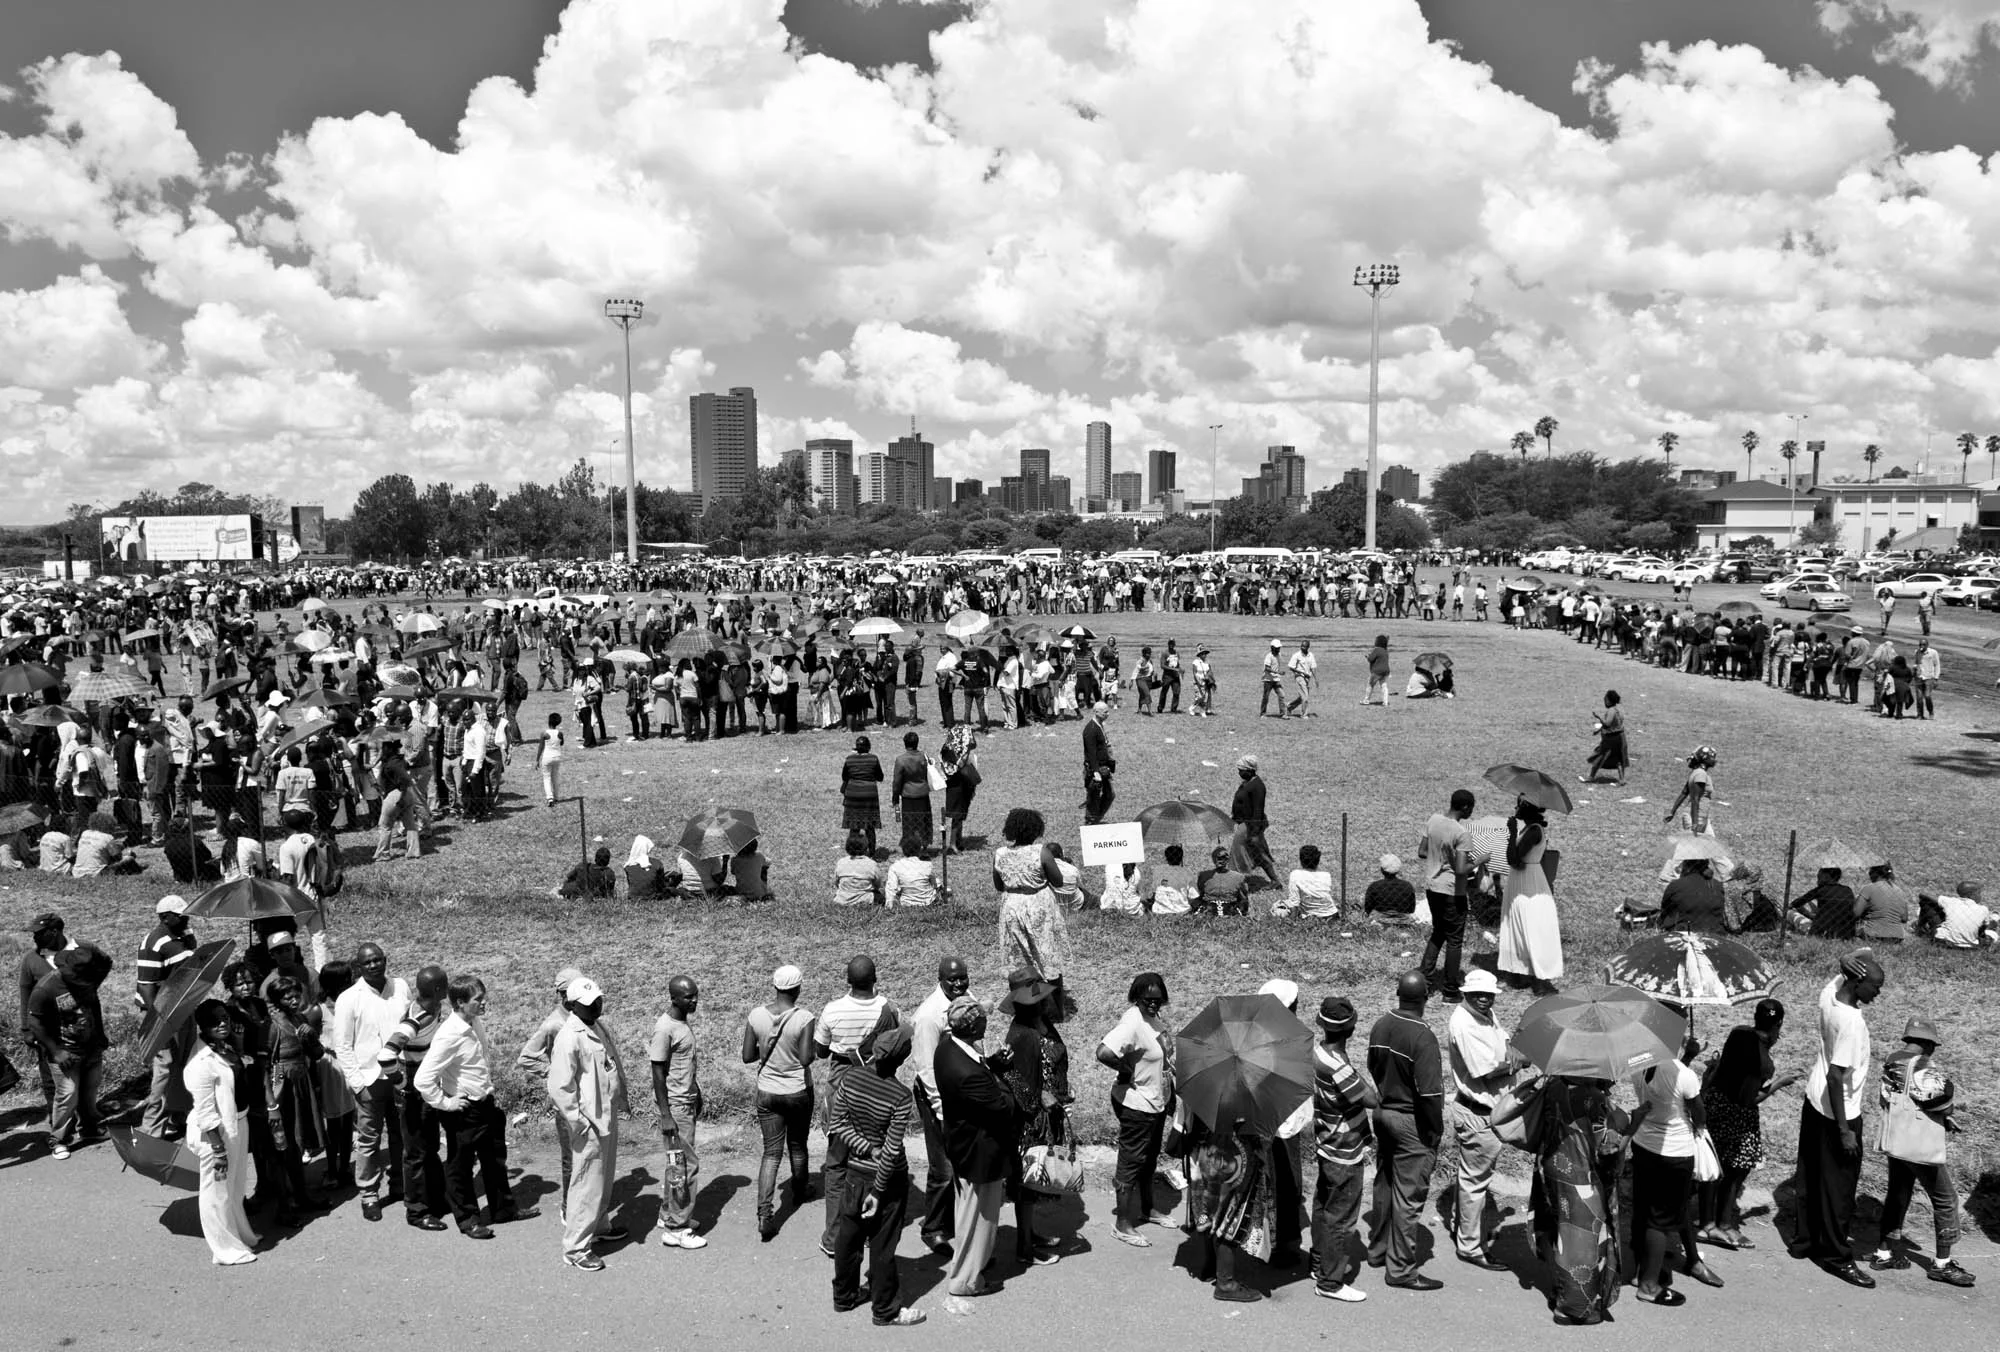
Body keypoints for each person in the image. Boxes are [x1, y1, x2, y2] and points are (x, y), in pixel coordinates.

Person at [415, 974, 535, 1239]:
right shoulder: (449, 1035)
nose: (484, 1004)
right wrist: (446, 1103)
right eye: (478, 1000)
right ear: (460, 1002)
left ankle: (503, 1209)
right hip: (464, 1111)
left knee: (495, 1160)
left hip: (485, 1104)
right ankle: (468, 1220)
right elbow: (422, 1080)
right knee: (460, 1167)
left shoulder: (474, 1022)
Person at [1792, 948, 1885, 1288]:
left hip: (1813, 1102)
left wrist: (1845, 960)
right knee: (1839, 1189)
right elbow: (1836, 1077)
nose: (1878, 992)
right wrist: (1845, 1130)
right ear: (1858, 980)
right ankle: (1834, 1256)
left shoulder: (1828, 996)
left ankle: (1805, 1242)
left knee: (1811, 1176)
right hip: (1838, 1112)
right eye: (1875, 986)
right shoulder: (1852, 1022)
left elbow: (1855, 958)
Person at [828, 1021, 925, 1325]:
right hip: (887, 1180)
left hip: (854, 1174)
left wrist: (863, 1148)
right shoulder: (899, 1096)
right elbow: (891, 1150)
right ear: (901, 1059)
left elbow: (838, 1124)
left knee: (849, 1237)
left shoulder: (851, 1079)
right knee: (883, 1246)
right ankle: (885, 1310)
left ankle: (844, 1297)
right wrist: (879, 1190)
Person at [1531, 1076, 1645, 1324]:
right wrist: (1634, 1124)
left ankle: (1558, 1290)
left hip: (1554, 1167)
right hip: (1581, 1176)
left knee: (1561, 1232)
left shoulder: (1554, 1086)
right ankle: (1572, 1308)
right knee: (1581, 1240)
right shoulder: (1593, 1099)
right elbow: (1608, 1150)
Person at [1871, 1017, 1974, 1287]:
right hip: (1919, 1145)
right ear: (1928, 1043)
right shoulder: (1924, 1065)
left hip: (1898, 1138)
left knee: (1898, 1193)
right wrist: (1948, 1113)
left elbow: (1891, 1096)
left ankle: (1883, 1252)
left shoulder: (1892, 1060)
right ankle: (1942, 1264)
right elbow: (1941, 1097)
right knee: (1946, 1198)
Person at [934, 994, 1020, 1299]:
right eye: (983, 1016)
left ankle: (970, 1263)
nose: (987, 1018)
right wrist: (1000, 1077)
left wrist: (992, 1065)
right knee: (980, 1218)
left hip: (962, 1145)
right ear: (974, 1026)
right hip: (980, 1152)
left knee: (968, 1212)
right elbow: (1003, 1107)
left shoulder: (947, 1048)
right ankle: (966, 1280)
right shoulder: (968, 1073)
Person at [814, 955, 898, 1256]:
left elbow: (821, 1052)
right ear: (875, 978)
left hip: (842, 1089)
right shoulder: (889, 1009)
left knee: (837, 1165)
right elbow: (892, 1046)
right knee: (871, 1160)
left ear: (847, 980)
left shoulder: (833, 1010)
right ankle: (865, 1230)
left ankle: (835, 1236)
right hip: (876, 1090)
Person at [1365, 971, 1444, 1290]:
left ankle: (1378, 1250)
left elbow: (1372, 1065)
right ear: (1425, 999)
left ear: (1398, 994)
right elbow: (1429, 1093)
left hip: (1383, 1113)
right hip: (1411, 1120)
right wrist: (1435, 1130)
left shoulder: (1381, 1024)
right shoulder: (1422, 1035)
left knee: (1384, 1184)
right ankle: (1400, 1270)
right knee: (1408, 1195)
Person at [1697, 999, 1796, 1249]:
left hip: (1715, 1104)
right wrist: (1779, 1083)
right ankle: (1726, 1225)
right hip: (1738, 1114)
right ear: (1779, 1023)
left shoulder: (1738, 1032)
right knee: (1737, 1171)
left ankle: (1706, 1224)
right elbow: (1751, 1098)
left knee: (1713, 1167)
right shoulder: (1763, 1063)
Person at [547, 976, 630, 1271]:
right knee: (586, 1182)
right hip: (588, 1121)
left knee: (604, 1177)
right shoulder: (569, 1036)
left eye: (597, 999)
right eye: (588, 1003)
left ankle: (599, 1225)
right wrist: (577, 1120)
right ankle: (576, 1247)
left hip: (605, 1115)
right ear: (572, 1005)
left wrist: (621, 1096)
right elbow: (560, 1086)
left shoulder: (596, 1026)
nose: (596, 1005)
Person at [1627, 1023, 1711, 1305]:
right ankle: (1649, 1286)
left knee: (1644, 1211)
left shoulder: (1638, 1063)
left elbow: (1664, 1085)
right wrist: (1691, 1066)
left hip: (1643, 1145)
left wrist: (1686, 1057)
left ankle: (1641, 1271)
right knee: (1661, 1222)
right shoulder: (1685, 1076)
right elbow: (1699, 1115)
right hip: (1673, 1153)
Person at [330, 941, 410, 1223]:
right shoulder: (349, 999)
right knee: (368, 1139)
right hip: (369, 1079)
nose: (374, 965)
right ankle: (369, 1193)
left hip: (398, 1077)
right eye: (368, 962)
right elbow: (342, 1045)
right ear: (359, 967)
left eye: (378, 960)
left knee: (401, 1134)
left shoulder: (400, 988)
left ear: (385, 960)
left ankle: (400, 1184)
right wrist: (357, 1083)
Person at [1443, 969, 1514, 1271]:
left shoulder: (1485, 1014)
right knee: (1475, 1181)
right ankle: (1471, 1247)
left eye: (1489, 994)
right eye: (1478, 995)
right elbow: (1484, 1070)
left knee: (1472, 1177)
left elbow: (1502, 1041)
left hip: (1486, 1110)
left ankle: (1466, 1229)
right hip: (1478, 1112)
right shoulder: (1465, 1024)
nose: (1485, 999)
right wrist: (1518, 1060)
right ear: (1465, 994)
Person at [1098, 972, 1175, 1247]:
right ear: (1136, 998)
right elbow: (1104, 1052)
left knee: (1149, 1159)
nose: (1153, 1004)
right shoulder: (1132, 1023)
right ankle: (1123, 1223)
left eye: (1158, 1000)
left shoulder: (1152, 1020)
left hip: (1156, 1102)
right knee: (1131, 1162)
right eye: (1147, 1000)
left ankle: (1148, 1208)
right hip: (1137, 1104)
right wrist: (1125, 1068)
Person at [1000, 967, 1069, 1268]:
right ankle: (1024, 1247)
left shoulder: (1041, 1025)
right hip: (1030, 1121)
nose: (1041, 1003)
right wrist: (1041, 1098)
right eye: (1034, 1000)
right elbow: (1013, 1078)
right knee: (1028, 1184)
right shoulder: (1022, 1035)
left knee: (1035, 1181)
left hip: (1047, 1115)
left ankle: (1030, 1234)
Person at [742, 964, 817, 1241]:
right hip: (797, 1091)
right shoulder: (804, 1017)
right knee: (797, 1144)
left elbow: (748, 1056)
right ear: (798, 988)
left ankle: (764, 1214)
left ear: (775, 986)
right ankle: (800, 1190)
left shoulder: (756, 1015)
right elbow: (807, 1058)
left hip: (767, 1092)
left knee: (771, 1153)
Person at [183, 998, 259, 1266]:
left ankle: (240, 1235)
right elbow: (205, 1113)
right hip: (215, 1134)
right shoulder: (200, 1061)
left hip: (238, 1122)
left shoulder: (224, 1046)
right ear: (201, 1026)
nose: (222, 1024)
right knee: (216, 1192)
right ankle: (224, 1249)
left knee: (236, 1185)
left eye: (225, 1017)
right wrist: (218, 1150)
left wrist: (237, 1047)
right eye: (214, 1021)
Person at [1309, 995, 1375, 1303]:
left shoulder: (1317, 1053)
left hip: (1325, 1141)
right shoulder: (1340, 1068)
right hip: (1345, 1150)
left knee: (1323, 1206)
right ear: (1350, 1029)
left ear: (1321, 1024)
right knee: (1342, 1219)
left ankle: (1319, 1263)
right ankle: (1330, 1282)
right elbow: (1371, 1099)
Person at [24, 945, 113, 1159]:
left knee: (89, 1092)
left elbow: (106, 964)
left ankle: (89, 1129)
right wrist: (56, 1051)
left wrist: (100, 1034)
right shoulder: (46, 988)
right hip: (65, 1053)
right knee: (68, 1095)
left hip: (91, 1047)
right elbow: (34, 1022)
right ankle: (59, 1139)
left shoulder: (87, 979)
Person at [909, 956, 968, 1256]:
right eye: (952, 980)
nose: (959, 984)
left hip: (961, 1091)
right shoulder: (930, 1016)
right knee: (943, 1166)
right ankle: (932, 1229)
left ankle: (956, 1220)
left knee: (962, 1161)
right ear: (940, 979)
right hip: (936, 1096)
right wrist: (941, 1111)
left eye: (963, 978)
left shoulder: (965, 1000)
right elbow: (925, 1069)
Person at [649, 974, 706, 1250]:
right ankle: (677, 1228)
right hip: (676, 1108)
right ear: (673, 998)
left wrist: (697, 1092)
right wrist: (666, 1114)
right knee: (685, 1166)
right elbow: (658, 1072)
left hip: (686, 1102)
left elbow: (682, 1066)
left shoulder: (680, 1024)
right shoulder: (665, 1029)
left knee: (676, 1164)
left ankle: (668, 1215)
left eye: (695, 995)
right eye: (688, 996)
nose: (694, 1000)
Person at [136, 895, 199, 1138]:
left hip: (183, 1007)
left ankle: (179, 1116)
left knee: (185, 1064)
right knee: (165, 1069)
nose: (186, 918)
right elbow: (146, 986)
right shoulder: (154, 942)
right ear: (165, 917)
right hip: (162, 1013)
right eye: (181, 915)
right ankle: (151, 1130)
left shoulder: (183, 936)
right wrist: (159, 1022)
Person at [994, 808, 1071, 988]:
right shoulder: (1041, 852)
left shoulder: (1000, 854)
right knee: (1046, 952)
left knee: (1018, 952)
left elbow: (998, 885)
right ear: (1036, 830)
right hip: (1038, 904)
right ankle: (1053, 1005)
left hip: (1011, 906)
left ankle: (1024, 999)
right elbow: (1058, 881)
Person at [1497, 798, 1563, 995]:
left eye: (1518, 806)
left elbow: (1514, 860)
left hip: (1528, 882)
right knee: (1516, 925)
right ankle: (1520, 972)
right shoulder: (1529, 829)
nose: (1515, 809)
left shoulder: (1533, 830)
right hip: (1521, 880)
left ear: (1526, 809)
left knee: (1531, 927)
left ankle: (1540, 979)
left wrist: (1510, 834)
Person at [1418, 789, 1475, 1002]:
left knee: (1439, 932)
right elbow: (1461, 870)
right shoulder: (1461, 833)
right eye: (1472, 808)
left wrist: (1441, 855)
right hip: (1453, 891)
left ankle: (1423, 980)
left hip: (1433, 887)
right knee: (1454, 940)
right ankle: (1451, 990)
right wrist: (1480, 860)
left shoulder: (1433, 821)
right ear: (1465, 807)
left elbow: (1422, 851)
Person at [1229, 754, 1278, 882]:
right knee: (1259, 854)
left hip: (1250, 825)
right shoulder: (1248, 782)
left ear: (1250, 770)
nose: (1239, 773)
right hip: (1245, 823)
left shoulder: (1257, 786)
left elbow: (1258, 809)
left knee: (1238, 852)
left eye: (1241, 770)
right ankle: (1275, 881)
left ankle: (1234, 880)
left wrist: (1255, 832)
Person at [889, 731, 932, 858]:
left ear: (905, 744)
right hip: (923, 794)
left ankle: (910, 848)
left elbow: (897, 781)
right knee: (923, 822)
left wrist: (895, 798)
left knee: (909, 823)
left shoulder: (901, 760)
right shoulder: (924, 757)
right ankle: (924, 846)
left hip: (908, 795)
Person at [938, 723, 979, 852]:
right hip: (959, 783)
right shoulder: (959, 753)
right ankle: (953, 843)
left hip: (955, 783)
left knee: (960, 814)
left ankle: (958, 840)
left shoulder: (947, 749)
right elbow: (961, 764)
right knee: (958, 814)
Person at [840, 735, 884, 856]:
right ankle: (872, 852)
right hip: (869, 795)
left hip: (852, 794)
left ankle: (853, 851)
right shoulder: (873, 759)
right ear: (868, 747)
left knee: (854, 826)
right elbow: (880, 777)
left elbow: (844, 777)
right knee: (869, 825)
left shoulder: (849, 759)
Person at [1659, 858, 1730, 933]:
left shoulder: (1676, 885)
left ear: (1686, 866)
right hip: (1714, 932)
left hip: (1683, 931)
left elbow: (1665, 909)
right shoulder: (1718, 885)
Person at [1790, 866, 1859, 938]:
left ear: (1827, 877)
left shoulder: (1820, 889)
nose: (1817, 881)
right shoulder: (1848, 890)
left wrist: (1807, 914)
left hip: (1821, 933)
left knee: (1790, 913)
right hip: (1846, 934)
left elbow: (1796, 903)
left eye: (1819, 877)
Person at [1664, 745, 1718, 835]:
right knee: (1697, 845)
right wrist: (1695, 823)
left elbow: (1684, 793)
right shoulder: (1701, 774)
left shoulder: (1696, 773)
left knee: (1710, 844)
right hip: (1697, 816)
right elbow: (1695, 799)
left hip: (1701, 815)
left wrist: (1672, 812)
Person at [1852, 862, 1910, 943]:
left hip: (1873, 934)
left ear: (1874, 873)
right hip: (1897, 937)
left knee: (1855, 932)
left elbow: (1856, 913)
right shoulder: (1900, 891)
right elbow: (1904, 918)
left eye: (1870, 871)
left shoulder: (1868, 888)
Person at [1276, 844, 1337, 919]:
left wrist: (1292, 922)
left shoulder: (1295, 874)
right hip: (1332, 914)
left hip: (1312, 917)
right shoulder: (1326, 875)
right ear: (1318, 860)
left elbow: (1294, 902)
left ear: (1301, 860)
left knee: (1278, 907)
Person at [1582, 690, 1628, 786]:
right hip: (1620, 737)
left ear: (1610, 700)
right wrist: (1598, 731)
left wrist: (1598, 717)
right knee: (1618, 758)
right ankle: (1622, 779)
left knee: (1599, 755)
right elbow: (1615, 724)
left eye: (1606, 700)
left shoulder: (1611, 711)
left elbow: (1607, 724)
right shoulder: (1619, 710)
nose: (1605, 702)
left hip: (1611, 739)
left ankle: (1591, 777)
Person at [1082, 700, 1115, 825]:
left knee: (1109, 794)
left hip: (1104, 768)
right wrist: (1096, 772)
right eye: (1105, 712)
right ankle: (1091, 821)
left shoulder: (1099, 725)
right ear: (1096, 712)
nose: (1108, 714)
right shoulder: (1090, 730)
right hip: (1095, 769)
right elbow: (1091, 753)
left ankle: (1095, 819)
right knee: (1094, 797)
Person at [831, 830, 882, 906]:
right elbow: (878, 883)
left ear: (847, 848)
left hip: (843, 898)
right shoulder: (871, 864)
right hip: (865, 898)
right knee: (880, 896)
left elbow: (836, 882)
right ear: (866, 848)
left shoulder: (841, 862)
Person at [884, 841, 941, 908]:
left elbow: (891, 888)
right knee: (938, 881)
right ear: (919, 850)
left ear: (903, 851)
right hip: (928, 903)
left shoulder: (896, 866)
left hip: (906, 904)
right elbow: (934, 884)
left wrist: (888, 906)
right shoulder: (927, 865)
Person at [1363, 854, 1417, 924]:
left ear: (1382, 870)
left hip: (1380, 920)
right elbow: (1411, 910)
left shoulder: (1374, 886)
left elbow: (1368, 909)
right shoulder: (1407, 886)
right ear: (1398, 870)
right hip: (1403, 921)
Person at [623, 835, 669, 899]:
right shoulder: (657, 863)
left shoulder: (629, 866)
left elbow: (631, 883)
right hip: (652, 897)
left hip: (633, 897)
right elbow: (661, 885)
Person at [1286, 639, 1317, 717]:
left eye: (1304, 646)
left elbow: (1313, 667)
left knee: (1302, 698)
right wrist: (1302, 673)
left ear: (1308, 647)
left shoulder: (1311, 655)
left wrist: (1316, 679)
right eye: (1301, 646)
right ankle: (1304, 715)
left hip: (1307, 679)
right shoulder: (1296, 655)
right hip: (1299, 678)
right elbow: (1291, 667)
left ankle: (1290, 706)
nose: (1302, 648)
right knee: (1305, 697)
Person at [1362, 634, 1391, 706]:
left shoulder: (1376, 650)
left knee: (1370, 685)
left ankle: (1366, 700)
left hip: (1377, 672)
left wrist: (1367, 656)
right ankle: (1385, 702)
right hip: (1385, 671)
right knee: (1384, 686)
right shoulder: (1385, 651)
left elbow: (1371, 659)